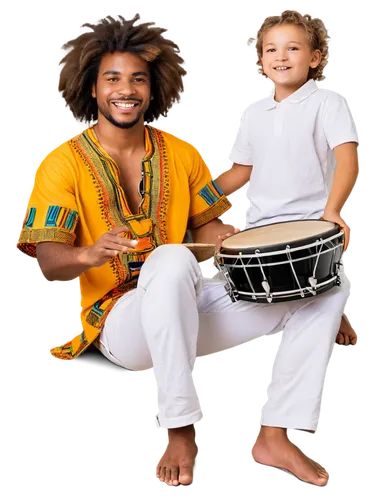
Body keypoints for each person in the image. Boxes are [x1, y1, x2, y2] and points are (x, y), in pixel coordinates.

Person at [15, 12, 357, 489]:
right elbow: (50, 264)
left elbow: (216, 232)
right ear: (91, 88)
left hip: (191, 309)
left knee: (326, 285)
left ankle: (275, 433)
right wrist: (90, 253)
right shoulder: (60, 162)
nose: (126, 89)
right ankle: (180, 429)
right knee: (172, 258)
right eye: (111, 78)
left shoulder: (179, 153)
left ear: (154, 89)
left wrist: (307, 283)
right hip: (121, 326)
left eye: (138, 79)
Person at [214, 7, 360, 483]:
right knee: (325, 297)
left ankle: (275, 434)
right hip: (258, 234)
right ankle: (331, 298)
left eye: (294, 48)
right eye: (271, 49)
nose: (281, 57)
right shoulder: (255, 113)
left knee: (327, 291)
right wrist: (186, 205)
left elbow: (347, 160)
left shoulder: (327, 103)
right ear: (260, 61)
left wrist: (334, 211)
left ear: (317, 57)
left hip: (311, 231)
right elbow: (239, 174)